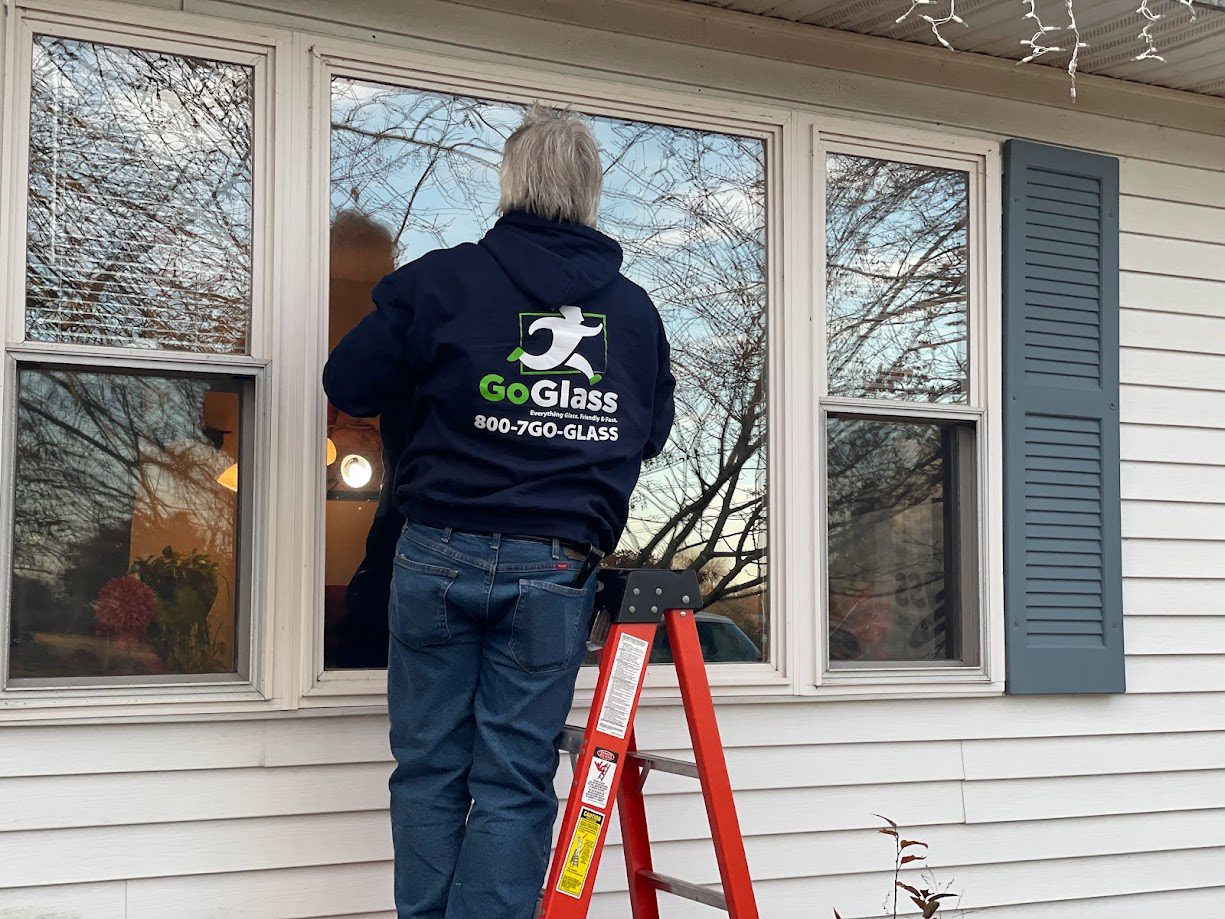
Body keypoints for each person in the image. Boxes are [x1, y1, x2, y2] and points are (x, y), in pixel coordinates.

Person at [322, 105, 675, 919]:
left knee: (427, 768)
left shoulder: (443, 281)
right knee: (515, 774)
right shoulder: (633, 314)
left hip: (438, 549)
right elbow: (648, 432)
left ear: (511, 184)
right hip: (555, 566)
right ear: (590, 192)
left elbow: (351, 382)